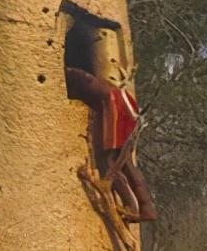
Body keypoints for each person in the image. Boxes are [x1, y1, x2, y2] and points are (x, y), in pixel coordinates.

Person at [64, 39, 157, 222]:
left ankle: (131, 205)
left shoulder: (70, 75)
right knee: (126, 161)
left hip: (114, 103)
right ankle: (147, 207)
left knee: (107, 160)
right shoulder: (84, 78)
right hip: (125, 101)